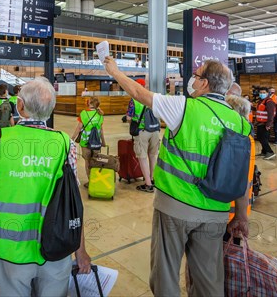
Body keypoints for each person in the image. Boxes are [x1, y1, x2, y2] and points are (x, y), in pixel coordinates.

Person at [103, 57, 251, 296]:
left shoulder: (183, 107)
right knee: (209, 279)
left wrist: (116, 72)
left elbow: (140, 93)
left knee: (165, 273)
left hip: (175, 206)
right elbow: (242, 175)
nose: (193, 78)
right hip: (216, 212)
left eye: (198, 74)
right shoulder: (240, 123)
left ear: (205, 84)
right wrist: (241, 215)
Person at [0, 77, 91, 296]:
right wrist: (80, 251)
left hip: (9, 252)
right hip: (57, 248)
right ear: (50, 109)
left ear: (20, 105)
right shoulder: (66, 146)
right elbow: (73, 203)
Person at [225, 95, 256, 245]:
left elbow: (238, 177)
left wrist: (240, 215)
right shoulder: (247, 135)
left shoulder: (237, 139)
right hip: (239, 210)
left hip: (229, 212)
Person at [126, 78, 160, 193]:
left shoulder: (134, 100)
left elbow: (129, 118)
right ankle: (152, 178)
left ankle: (148, 184)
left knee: (142, 157)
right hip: (155, 130)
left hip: (142, 131)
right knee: (152, 155)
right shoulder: (152, 97)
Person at [71, 96, 106, 187]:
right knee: (95, 161)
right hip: (97, 143)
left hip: (85, 143)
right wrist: (103, 142)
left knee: (87, 162)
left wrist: (73, 138)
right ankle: (96, 180)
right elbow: (101, 130)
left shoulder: (83, 113)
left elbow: (79, 128)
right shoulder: (100, 115)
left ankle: (90, 181)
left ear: (89, 103)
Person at [256, 87, 277, 160]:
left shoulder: (269, 102)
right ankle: (264, 151)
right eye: (260, 92)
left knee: (263, 139)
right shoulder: (261, 101)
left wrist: (269, 124)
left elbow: (271, 114)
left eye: (263, 93)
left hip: (265, 124)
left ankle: (270, 152)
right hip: (260, 123)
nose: (262, 94)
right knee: (259, 137)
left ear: (267, 93)